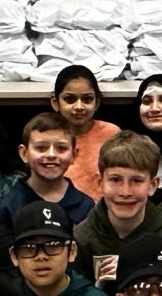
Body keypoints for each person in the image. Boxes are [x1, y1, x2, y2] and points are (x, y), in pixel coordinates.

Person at [72, 131, 162, 286]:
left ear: (153, 185)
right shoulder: (80, 240)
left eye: (136, 180)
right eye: (115, 180)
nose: (125, 192)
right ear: (100, 183)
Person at [0, 108, 94, 228]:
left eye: (61, 148)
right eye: (41, 148)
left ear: (74, 155)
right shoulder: (8, 206)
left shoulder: (86, 207)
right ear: (24, 153)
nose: (51, 155)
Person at [45, 64, 120, 200]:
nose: (79, 106)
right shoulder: (47, 137)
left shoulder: (112, 134)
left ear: (97, 102)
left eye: (87, 99)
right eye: (70, 99)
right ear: (55, 102)